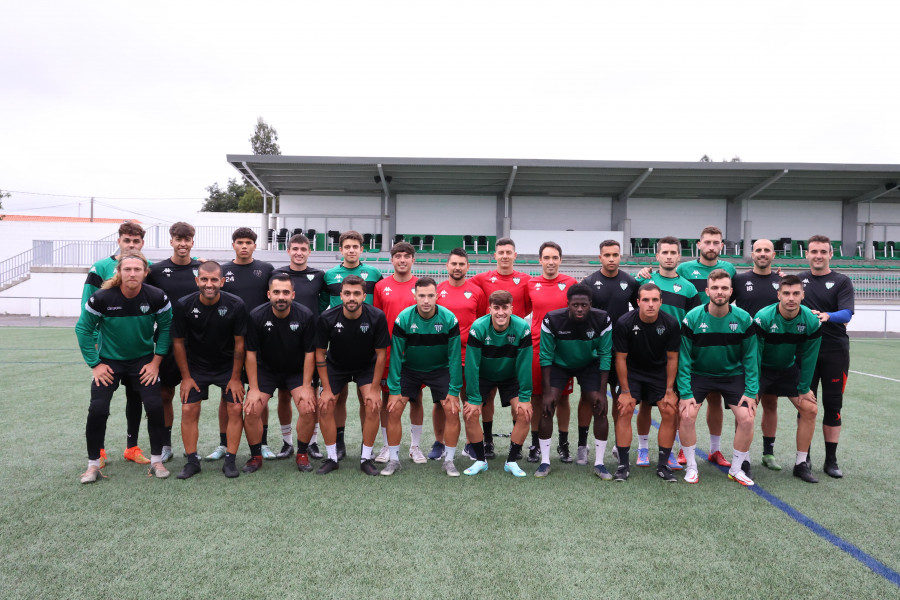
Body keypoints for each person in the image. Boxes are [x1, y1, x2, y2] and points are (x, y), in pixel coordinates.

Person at [75, 253, 172, 483]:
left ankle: (157, 460)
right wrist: (95, 364)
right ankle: (92, 465)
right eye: (127, 269)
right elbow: (83, 330)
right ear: (119, 272)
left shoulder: (157, 296)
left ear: (145, 272)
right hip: (109, 362)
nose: (132, 273)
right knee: (98, 409)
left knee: (155, 406)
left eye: (137, 269)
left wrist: (156, 362)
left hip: (143, 361)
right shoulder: (102, 298)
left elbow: (167, 329)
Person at [677, 269, 758, 485]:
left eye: (724, 288)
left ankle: (736, 468)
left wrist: (751, 391)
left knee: (748, 418)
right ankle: (692, 467)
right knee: (685, 415)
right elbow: (683, 358)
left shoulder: (743, 319)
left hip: (732, 375)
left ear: (731, 291)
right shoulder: (692, 317)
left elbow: (751, 358)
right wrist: (684, 392)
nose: (719, 292)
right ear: (707, 291)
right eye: (715, 288)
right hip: (699, 374)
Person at [81, 221, 150, 466]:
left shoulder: (146, 266)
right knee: (100, 404)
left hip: (139, 351)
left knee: (136, 399)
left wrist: (196, 258)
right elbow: (87, 306)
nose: (131, 245)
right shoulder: (100, 267)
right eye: (127, 240)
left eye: (136, 241)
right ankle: (98, 452)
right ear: (119, 240)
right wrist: (94, 350)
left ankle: (131, 447)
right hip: (107, 350)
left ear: (142, 243)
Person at [171, 261, 248, 479]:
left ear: (222, 281)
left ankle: (230, 460)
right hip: (197, 367)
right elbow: (178, 342)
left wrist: (235, 377)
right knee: (188, 409)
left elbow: (240, 343)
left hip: (227, 366)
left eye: (214, 279)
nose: (209, 284)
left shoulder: (236, 304)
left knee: (235, 407)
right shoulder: (183, 305)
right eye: (204, 279)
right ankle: (192, 461)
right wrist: (185, 377)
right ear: (197, 281)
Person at [384, 277, 463, 476]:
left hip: (439, 369)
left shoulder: (449, 319)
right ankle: (394, 460)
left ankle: (449, 460)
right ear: (415, 297)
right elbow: (395, 357)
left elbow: (454, 358)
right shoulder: (404, 319)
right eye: (421, 296)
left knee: (452, 411)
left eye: (430, 296)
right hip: (410, 369)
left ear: (437, 296)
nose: (426, 300)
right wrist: (394, 390)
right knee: (393, 410)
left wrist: (454, 390)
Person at [634, 236, 700, 470]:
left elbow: (693, 321)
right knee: (644, 404)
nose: (669, 256)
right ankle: (642, 449)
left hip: (676, 353)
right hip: (647, 351)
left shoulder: (689, 288)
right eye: (665, 252)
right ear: (657, 255)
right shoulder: (644, 281)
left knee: (671, 405)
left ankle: (668, 451)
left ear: (679, 257)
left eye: (673, 252)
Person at [211, 228, 276, 460]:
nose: (244, 246)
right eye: (240, 242)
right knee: (227, 393)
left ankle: (264, 443)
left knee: (260, 393)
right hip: (232, 342)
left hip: (261, 340)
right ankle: (222, 443)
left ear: (255, 246)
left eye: (249, 242)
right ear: (233, 245)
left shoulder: (266, 269)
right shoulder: (223, 271)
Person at [535, 283, 612, 479]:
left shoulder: (602, 319)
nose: (579, 309)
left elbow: (605, 355)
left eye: (584, 305)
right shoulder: (552, 319)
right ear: (568, 304)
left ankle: (600, 463)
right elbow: (545, 356)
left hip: (588, 364)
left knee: (600, 405)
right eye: (575, 305)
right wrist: (546, 392)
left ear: (590, 304)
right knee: (548, 405)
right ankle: (544, 462)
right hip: (560, 364)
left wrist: (603, 392)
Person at [316, 276, 390, 475]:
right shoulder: (327, 318)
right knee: (325, 405)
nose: (351, 298)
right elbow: (320, 353)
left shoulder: (376, 316)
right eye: (347, 293)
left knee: (373, 404)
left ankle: (366, 457)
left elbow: (381, 354)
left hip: (366, 366)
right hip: (336, 366)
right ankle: (332, 457)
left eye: (356, 293)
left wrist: (374, 389)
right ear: (340, 295)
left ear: (364, 296)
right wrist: (326, 389)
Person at [242, 274, 317, 474]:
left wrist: (308, 386)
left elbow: (310, 353)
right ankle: (256, 456)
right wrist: (254, 388)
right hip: (266, 370)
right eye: (276, 292)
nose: (281, 297)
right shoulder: (256, 316)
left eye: (285, 292)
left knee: (309, 408)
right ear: (269, 294)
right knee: (251, 409)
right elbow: (249, 354)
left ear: (293, 294)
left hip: (296, 371)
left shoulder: (306, 315)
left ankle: (302, 453)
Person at [753, 275, 822, 483]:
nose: (791, 298)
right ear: (778, 295)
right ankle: (743, 461)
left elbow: (810, 358)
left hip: (787, 369)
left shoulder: (810, 320)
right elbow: (753, 354)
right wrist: (752, 387)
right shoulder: (763, 317)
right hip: (762, 369)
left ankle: (801, 464)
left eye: (795, 293)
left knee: (810, 408)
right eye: (786, 293)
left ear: (803, 295)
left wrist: (804, 388)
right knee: (746, 410)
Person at [798, 235, 855, 478]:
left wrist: (827, 316)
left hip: (834, 351)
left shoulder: (842, 281)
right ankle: (804, 458)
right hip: (806, 352)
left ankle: (831, 461)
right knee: (806, 407)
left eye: (823, 251)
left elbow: (847, 313)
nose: (818, 255)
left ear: (831, 254)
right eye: (814, 251)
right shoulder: (799, 281)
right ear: (807, 254)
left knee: (833, 406)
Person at [325, 230, 384, 461]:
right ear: (340, 250)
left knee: (366, 399)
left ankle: (365, 446)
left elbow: (377, 302)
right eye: (347, 247)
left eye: (355, 247)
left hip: (366, 341)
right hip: (339, 340)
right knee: (337, 398)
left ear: (362, 249)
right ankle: (338, 443)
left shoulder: (374, 273)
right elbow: (324, 303)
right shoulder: (330, 275)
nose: (351, 250)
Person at [612, 283, 681, 482]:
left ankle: (662, 465)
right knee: (625, 409)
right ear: (638, 302)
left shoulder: (670, 323)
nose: (650, 304)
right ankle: (623, 465)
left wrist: (669, 389)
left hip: (658, 372)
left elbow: (672, 359)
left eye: (654, 300)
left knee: (669, 410)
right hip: (632, 371)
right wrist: (625, 391)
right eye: (645, 300)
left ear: (661, 302)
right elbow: (620, 359)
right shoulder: (625, 322)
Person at [146, 221, 202, 463]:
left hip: (196, 342)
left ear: (192, 242)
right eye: (178, 239)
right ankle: (166, 444)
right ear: (171, 241)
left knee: (194, 397)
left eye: (187, 239)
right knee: (165, 393)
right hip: (166, 340)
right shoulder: (156, 271)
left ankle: (193, 448)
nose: (183, 244)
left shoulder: (202, 270)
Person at [581, 240, 639, 466]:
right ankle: (583, 445)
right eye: (607, 255)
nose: (612, 258)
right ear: (600, 257)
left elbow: (639, 308)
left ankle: (617, 444)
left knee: (619, 398)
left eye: (615, 254)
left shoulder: (630, 282)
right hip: (595, 349)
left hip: (620, 350)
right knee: (589, 397)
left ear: (620, 257)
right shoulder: (589, 282)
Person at [272, 233, 330, 459]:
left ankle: (312, 442)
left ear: (309, 252)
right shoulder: (276, 275)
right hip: (282, 341)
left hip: (309, 342)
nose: (298, 252)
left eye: (303, 249)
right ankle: (286, 442)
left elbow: (323, 303)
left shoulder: (318, 276)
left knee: (311, 394)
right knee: (284, 395)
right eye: (294, 248)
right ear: (288, 251)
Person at [471, 237, 532, 448]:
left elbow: (531, 305)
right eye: (501, 252)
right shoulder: (480, 279)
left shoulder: (526, 280)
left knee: (519, 403)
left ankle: (517, 444)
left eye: (509, 252)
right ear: (494, 255)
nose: (505, 256)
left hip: (515, 344)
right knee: (486, 399)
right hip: (488, 343)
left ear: (515, 255)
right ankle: (487, 440)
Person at [463, 291, 532, 476]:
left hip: (511, 376)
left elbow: (525, 364)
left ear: (511, 308)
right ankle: (480, 460)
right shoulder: (478, 327)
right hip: (484, 375)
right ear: (490, 309)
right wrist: (473, 398)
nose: (500, 312)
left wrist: (525, 398)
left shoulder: (522, 327)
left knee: (524, 413)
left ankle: (511, 461)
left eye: (504, 308)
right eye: (496, 308)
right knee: (470, 413)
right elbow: (472, 365)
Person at [730, 238, 781, 473]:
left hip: (773, 351)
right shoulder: (739, 280)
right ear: (752, 254)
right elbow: (723, 306)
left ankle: (768, 453)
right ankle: (744, 455)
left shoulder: (781, 281)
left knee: (770, 402)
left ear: (773, 254)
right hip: (745, 350)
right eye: (758, 250)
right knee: (746, 404)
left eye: (766, 250)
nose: (762, 253)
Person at [526, 242, 578, 464]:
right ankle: (536, 443)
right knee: (537, 398)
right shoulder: (531, 284)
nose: (550, 262)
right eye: (546, 258)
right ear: (539, 260)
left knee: (563, 399)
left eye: (554, 257)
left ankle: (563, 444)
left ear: (560, 260)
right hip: (537, 348)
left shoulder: (570, 283)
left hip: (563, 349)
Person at [435, 248, 487, 460]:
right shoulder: (438, 290)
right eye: (453, 264)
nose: (457, 268)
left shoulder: (477, 292)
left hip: (469, 355)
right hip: (443, 356)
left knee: (469, 400)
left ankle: (470, 443)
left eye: (461, 264)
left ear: (468, 267)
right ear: (447, 266)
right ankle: (439, 442)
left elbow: (484, 322)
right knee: (441, 402)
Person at [373, 242, 422, 463]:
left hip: (416, 353)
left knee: (416, 398)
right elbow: (377, 320)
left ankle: (415, 446)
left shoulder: (421, 286)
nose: (402, 260)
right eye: (398, 256)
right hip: (389, 353)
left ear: (413, 260)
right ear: (391, 260)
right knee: (387, 399)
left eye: (406, 256)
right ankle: (386, 446)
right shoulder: (381, 286)